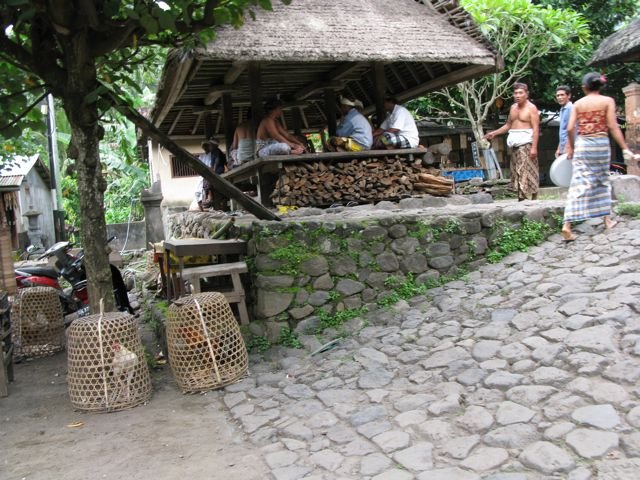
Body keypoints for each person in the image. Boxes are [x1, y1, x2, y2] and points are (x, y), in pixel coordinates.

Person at [561, 72, 636, 242]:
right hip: (601, 144)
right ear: (600, 86)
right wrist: (624, 148)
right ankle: (607, 220)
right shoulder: (607, 101)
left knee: (579, 182)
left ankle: (567, 224)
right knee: (602, 181)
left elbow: (570, 128)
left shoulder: (578, 104)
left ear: (584, 87)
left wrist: (572, 147)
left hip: (583, 145)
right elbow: (613, 126)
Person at [484, 82, 540, 201]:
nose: (517, 95)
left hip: (526, 142)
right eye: (515, 93)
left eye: (520, 93)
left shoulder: (532, 108)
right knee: (516, 169)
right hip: (515, 142)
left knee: (524, 168)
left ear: (526, 94)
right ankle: (522, 195)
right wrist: (494, 133)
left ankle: (526, 196)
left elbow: (536, 128)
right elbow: (509, 125)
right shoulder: (513, 107)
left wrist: (534, 147)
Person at [196, 139, 226, 209]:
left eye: (210, 145)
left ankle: (210, 197)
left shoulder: (217, 151)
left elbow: (217, 162)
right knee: (204, 182)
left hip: (219, 170)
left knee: (209, 180)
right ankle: (207, 198)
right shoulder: (213, 152)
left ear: (213, 145)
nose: (209, 147)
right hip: (215, 170)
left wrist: (213, 171)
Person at [555, 85, 573, 157]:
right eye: (558, 95)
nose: (560, 97)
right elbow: (563, 131)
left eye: (562, 95)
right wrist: (559, 148)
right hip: (564, 147)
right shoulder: (562, 109)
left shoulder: (570, 108)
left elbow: (572, 129)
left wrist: (569, 147)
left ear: (569, 96)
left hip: (570, 147)